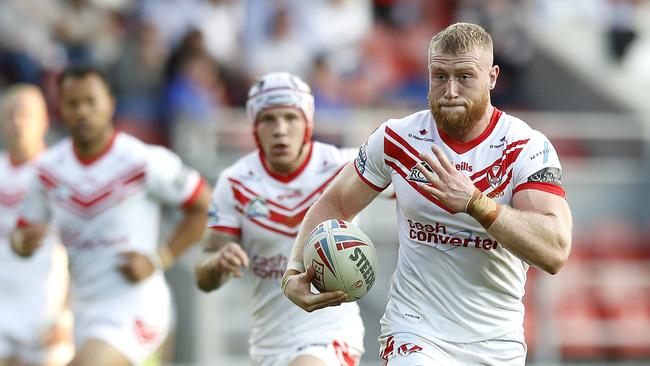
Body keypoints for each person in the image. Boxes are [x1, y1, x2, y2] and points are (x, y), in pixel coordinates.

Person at [283, 22, 573, 365]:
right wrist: (293, 269)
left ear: (492, 78)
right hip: (414, 332)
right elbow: (335, 202)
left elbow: (554, 250)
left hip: (496, 342)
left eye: (465, 76)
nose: (450, 90)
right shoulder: (398, 139)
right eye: (439, 76)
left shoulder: (525, 147)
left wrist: (477, 204)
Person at [11, 65, 211, 366]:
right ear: (60, 109)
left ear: (110, 104)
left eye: (91, 102)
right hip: (83, 311)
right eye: (73, 103)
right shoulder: (48, 171)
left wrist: (160, 258)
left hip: (137, 305)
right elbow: (20, 234)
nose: (82, 112)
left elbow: (205, 205)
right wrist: (22, 244)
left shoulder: (142, 160)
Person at [195, 72, 365, 366]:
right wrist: (218, 262)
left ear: (307, 123)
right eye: (268, 119)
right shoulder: (235, 183)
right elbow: (204, 276)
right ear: (254, 128)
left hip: (330, 335)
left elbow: (409, 184)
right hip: (268, 345)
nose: (280, 130)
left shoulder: (344, 168)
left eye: (291, 117)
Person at [0, 85, 73, 366]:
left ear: (44, 121)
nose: (18, 122)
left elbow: (79, 244)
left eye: (26, 114)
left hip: (45, 311)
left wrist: (67, 312)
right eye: (10, 115)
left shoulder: (61, 174)